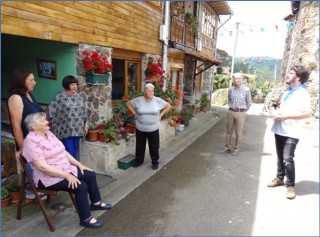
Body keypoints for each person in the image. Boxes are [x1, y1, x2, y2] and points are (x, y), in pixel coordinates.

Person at [22, 112, 112, 228]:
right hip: (47, 177)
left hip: (64, 168)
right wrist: (67, 176)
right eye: (43, 121)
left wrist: (79, 165)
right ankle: (85, 219)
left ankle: (96, 203)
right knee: (81, 186)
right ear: (34, 126)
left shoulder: (48, 133)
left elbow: (63, 152)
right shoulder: (30, 142)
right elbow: (42, 167)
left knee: (90, 174)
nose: (47, 122)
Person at [267, 65, 312, 200]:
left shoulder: (302, 93)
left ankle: (290, 185)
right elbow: (284, 110)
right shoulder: (287, 92)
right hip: (280, 129)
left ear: (298, 77)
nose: (288, 74)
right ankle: (279, 177)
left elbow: (307, 113)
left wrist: (286, 117)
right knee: (280, 157)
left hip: (292, 132)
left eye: (291, 73)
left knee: (287, 159)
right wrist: (275, 113)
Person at [7, 68, 44, 199]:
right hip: (27, 141)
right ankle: (30, 191)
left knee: (39, 165)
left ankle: (39, 187)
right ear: (21, 82)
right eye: (31, 80)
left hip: (37, 139)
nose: (35, 82)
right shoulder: (16, 98)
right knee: (30, 165)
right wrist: (22, 147)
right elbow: (16, 126)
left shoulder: (29, 95)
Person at [126, 83, 171, 170]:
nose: (151, 93)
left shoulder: (157, 101)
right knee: (140, 146)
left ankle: (155, 162)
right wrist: (134, 113)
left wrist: (161, 114)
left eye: (152, 91)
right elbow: (128, 104)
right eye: (148, 91)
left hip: (153, 128)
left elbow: (168, 106)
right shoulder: (138, 100)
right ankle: (139, 161)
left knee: (154, 146)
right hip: (140, 128)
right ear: (144, 91)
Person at [46, 75, 88, 160]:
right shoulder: (59, 97)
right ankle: (71, 169)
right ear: (66, 85)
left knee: (75, 148)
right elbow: (50, 110)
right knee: (69, 150)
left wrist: (86, 125)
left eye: (76, 84)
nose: (75, 86)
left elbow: (85, 112)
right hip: (65, 129)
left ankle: (74, 169)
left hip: (78, 128)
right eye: (72, 84)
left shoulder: (79, 97)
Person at [223, 72, 252, 156]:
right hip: (231, 112)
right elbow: (229, 100)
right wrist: (230, 108)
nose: (238, 80)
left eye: (239, 78)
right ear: (233, 80)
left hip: (240, 112)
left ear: (242, 79)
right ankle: (227, 147)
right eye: (236, 78)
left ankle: (236, 148)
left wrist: (243, 111)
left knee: (238, 132)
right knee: (229, 131)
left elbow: (249, 102)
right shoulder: (230, 89)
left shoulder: (246, 90)